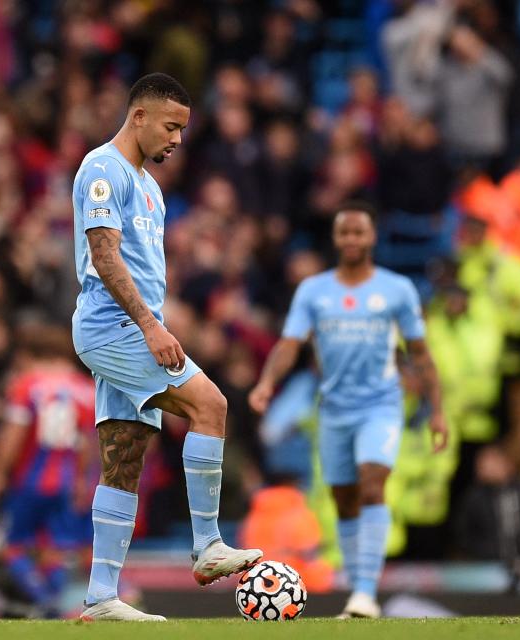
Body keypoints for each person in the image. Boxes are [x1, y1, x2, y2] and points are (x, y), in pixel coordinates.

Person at [71, 73, 262, 622]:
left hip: (130, 327)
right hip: (114, 328)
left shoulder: (150, 187)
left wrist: (159, 318)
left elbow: (145, 270)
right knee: (212, 406)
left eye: (183, 128)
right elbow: (105, 257)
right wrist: (151, 328)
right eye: (172, 126)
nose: (178, 139)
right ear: (138, 117)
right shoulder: (102, 169)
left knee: (124, 459)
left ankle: (101, 598)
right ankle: (207, 547)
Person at [248, 202, 448, 619]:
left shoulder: (397, 290)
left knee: (373, 482)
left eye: (360, 232)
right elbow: (289, 345)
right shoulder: (314, 291)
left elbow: (422, 354)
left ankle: (364, 592)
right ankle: (358, 590)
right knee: (344, 497)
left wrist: (438, 411)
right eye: (345, 233)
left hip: (380, 405)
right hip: (333, 409)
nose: (352, 240)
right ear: (336, 239)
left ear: (372, 237)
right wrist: (267, 383)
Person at [0, 326, 96, 617]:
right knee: (55, 548)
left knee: (12, 546)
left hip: (30, 480)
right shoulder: (85, 389)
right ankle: (52, 606)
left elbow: (13, 435)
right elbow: (86, 442)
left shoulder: (27, 384)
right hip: (67, 480)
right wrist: (82, 480)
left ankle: (46, 602)